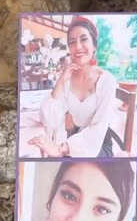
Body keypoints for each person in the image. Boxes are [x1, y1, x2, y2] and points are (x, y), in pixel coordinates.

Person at [20, 16, 123, 158]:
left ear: (94, 45)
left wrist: (61, 149)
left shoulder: (106, 81)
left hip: (97, 145)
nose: (78, 46)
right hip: (74, 140)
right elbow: (48, 120)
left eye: (84, 39)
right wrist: (60, 81)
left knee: (57, 158)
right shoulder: (67, 79)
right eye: (72, 42)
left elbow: (98, 129)